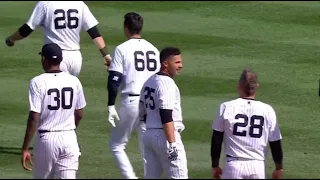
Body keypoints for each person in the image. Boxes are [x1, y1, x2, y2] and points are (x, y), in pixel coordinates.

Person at [107, 12, 160, 179]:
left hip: (131, 101)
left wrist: (110, 105)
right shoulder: (153, 49)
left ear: (126, 28)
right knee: (147, 147)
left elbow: (114, 80)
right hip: (150, 103)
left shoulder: (122, 49)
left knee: (117, 145)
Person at [21, 43, 87, 179]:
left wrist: (25, 148)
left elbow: (34, 118)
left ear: (44, 59)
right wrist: (68, 128)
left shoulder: (37, 82)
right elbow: (79, 113)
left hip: (47, 139)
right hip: (70, 138)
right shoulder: (74, 81)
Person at [5, 1, 112, 77]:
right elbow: (94, 33)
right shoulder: (80, 4)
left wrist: (11, 39)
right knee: (70, 97)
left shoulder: (46, 4)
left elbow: (27, 29)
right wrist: (106, 55)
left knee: (57, 98)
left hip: (56, 57)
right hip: (75, 58)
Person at [211, 68, 283, 179]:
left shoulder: (226, 107)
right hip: (257, 166)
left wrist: (215, 166)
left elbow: (216, 139)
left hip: (233, 166)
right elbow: (275, 142)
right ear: (257, 86)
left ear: (239, 86)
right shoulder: (267, 110)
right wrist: (279, 168)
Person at [139, 47, 188, 179]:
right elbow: (166, 115)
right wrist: (172, 144)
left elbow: (142, 112)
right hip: (165, 137)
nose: (180, 66)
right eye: (177, 62)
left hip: (149, 135)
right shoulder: (167, 84)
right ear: (165, 64)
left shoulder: (149, 81)